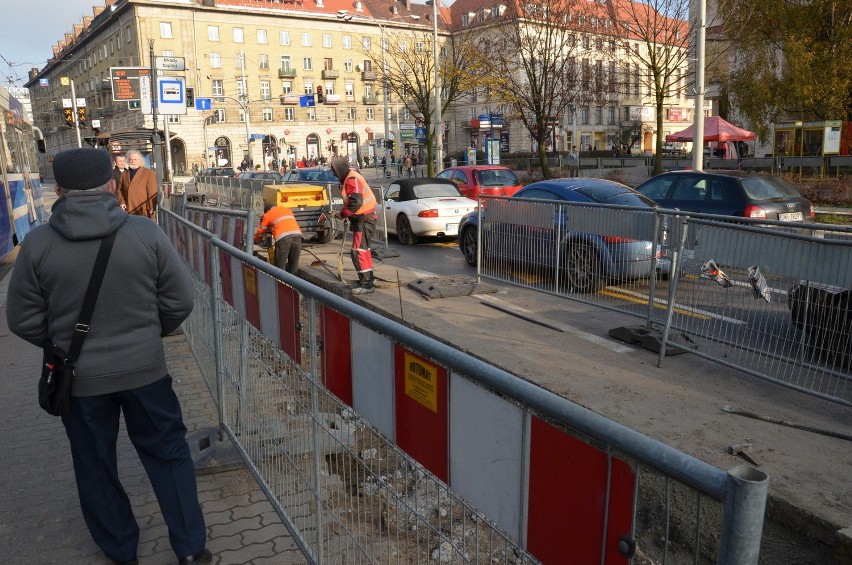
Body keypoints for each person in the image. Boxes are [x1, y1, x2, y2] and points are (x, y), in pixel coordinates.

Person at [6, 148, 211, 565]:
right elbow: (180, 299)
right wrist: (152, 335)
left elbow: (22, 319)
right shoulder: (145, 233)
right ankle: (190, 551)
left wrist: (60, 346)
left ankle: (121, 551)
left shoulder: (38, 243)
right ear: (108, 183)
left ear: (59, 189)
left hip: (80, 382)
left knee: (94, 464)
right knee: (169, 455)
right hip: (147, 375)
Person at [330, 156, 377, 294]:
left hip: (363, 220)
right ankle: (368, 279)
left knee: (358, 251)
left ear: (340, 170)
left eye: (334, 171)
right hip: (363, 219)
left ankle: (366, 284)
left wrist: (344, 214)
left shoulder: (351, 179)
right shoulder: (351, 176)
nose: (334, 174)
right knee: (363, 250)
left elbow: (356, 201)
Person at [254, 202, 302, 275]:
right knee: (294, 266)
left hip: (283, 239)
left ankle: (280, 284)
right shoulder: (287, 210)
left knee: (280, 267)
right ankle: (294, 285)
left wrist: (256, 240)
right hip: (298, 237)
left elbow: (261, 231)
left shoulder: (268, 214)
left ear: (267, 210)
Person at [117, 149, 158, 218]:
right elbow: (120, 190)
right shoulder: (124, 174)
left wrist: (151, 207)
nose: (133, 161)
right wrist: (122, 202)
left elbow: (152, 192)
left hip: (143, 209)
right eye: (131, 159)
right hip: (128, 209)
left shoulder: (149, 173)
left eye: (135, 159)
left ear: (140, 160)